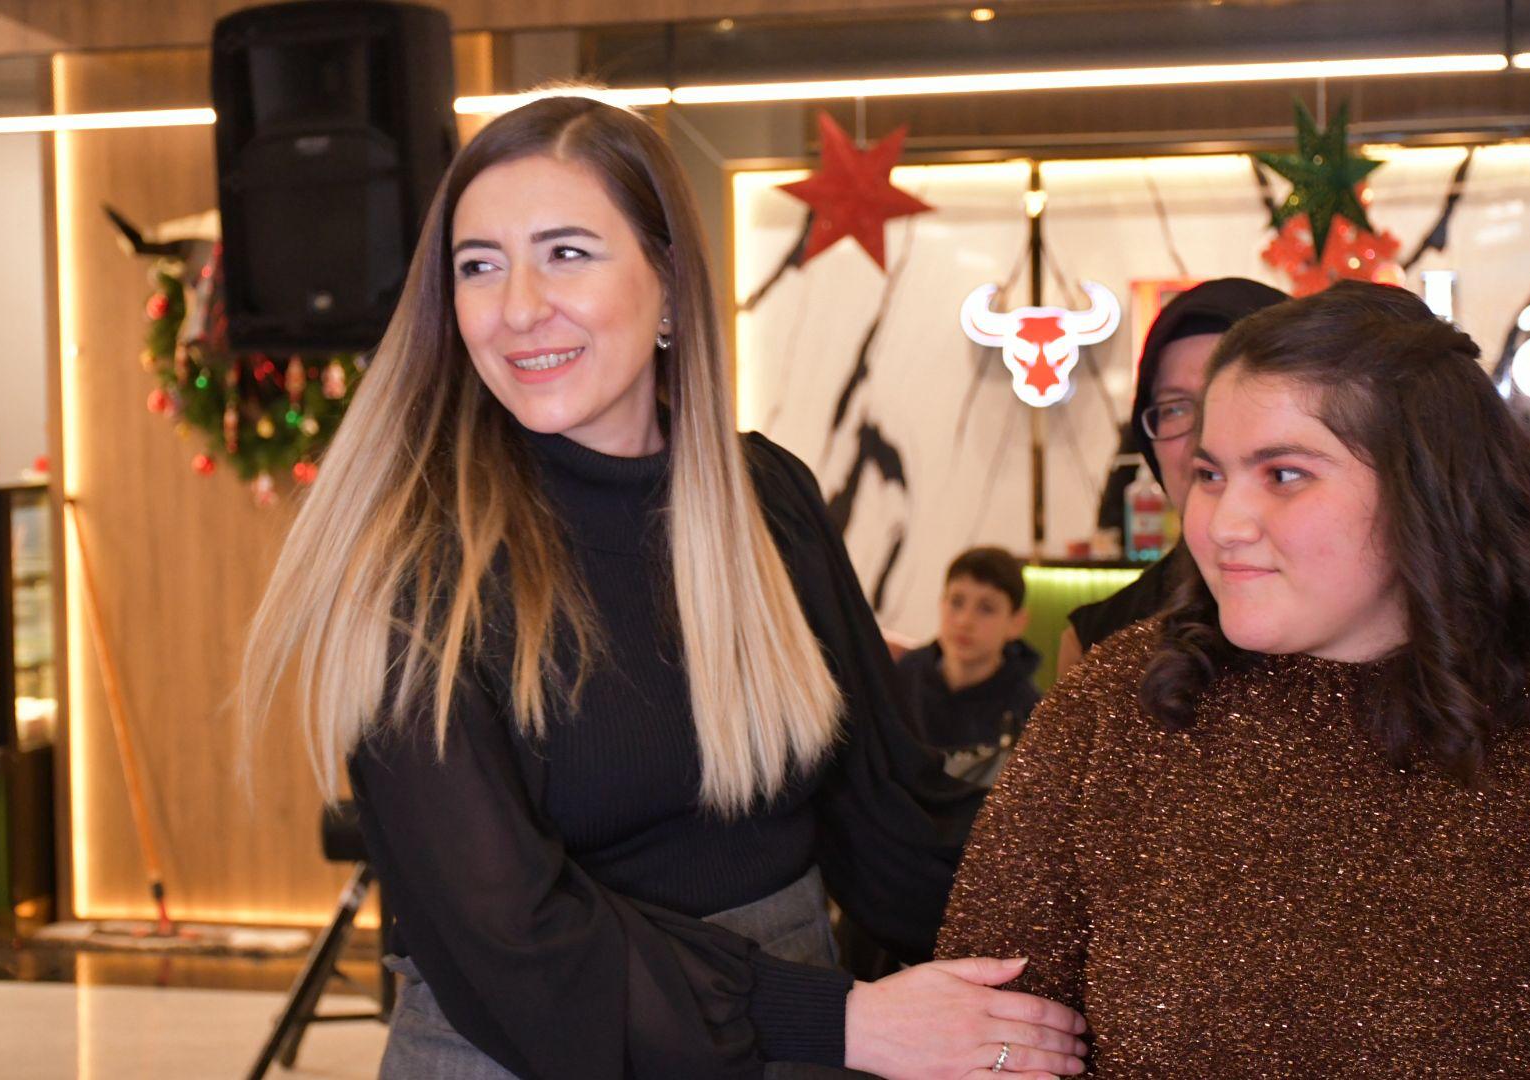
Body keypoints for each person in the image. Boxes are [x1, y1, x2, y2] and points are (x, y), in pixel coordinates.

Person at [239, 95, 1086, 1080]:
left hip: (799, 1025)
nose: (519, 306)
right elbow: (512, 938)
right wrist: (846, 1022)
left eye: (566, 253)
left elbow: (887, 816)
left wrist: (1111, 903)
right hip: (533, 1051)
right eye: (479, 266)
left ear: (674, 288)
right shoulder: (414, 565)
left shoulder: (766, 500)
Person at [938, 281, 1530, 1077]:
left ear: (1427, 490)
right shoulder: (1117, 702)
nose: (1223, 523)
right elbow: (989, 1028)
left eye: (1284, 474)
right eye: (1211, 474)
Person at [1057, 278, 1287, 677]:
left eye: (1234, 397)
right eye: (1176, 408)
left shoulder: (1369, 627)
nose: (1202, 438)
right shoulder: (1098, 644)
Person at [896, 547, 1041, 786]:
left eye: (986, 608)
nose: (965, 621)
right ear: (941, 603)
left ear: (1016, 623)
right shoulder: (902, 676)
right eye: (956, 602)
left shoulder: (1029, 710)